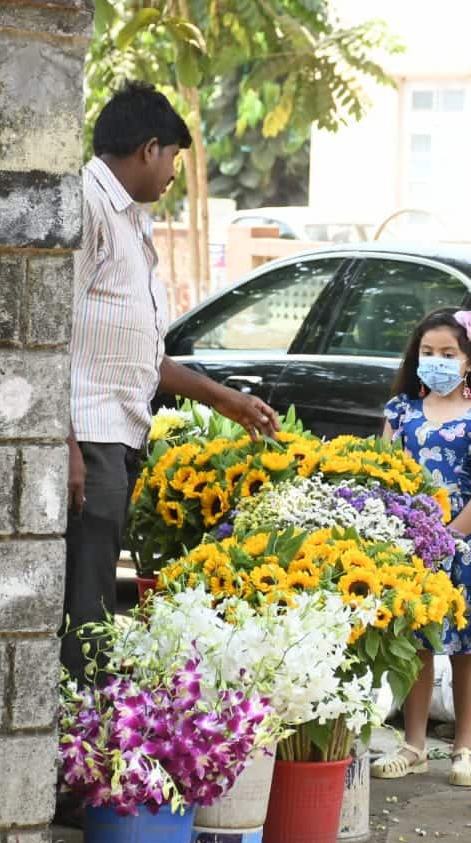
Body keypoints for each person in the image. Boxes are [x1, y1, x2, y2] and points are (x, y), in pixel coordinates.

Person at [63, 81, 280, 679]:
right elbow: (45, 334)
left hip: (119, 431)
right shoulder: (87, 205)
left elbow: (139, 354)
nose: (172, 176)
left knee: (99, 598)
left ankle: (91, 730)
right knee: (85, 608)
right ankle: (81, 740)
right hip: (91, 435)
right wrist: (65, 443)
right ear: (148, 148)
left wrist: (225, 399)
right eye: (173, 161)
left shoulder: (131, 219)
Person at [371, 307, 471, 788]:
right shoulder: (401, 412)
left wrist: (450, 536)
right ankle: (413, 745)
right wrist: (406, 535)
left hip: (467, 546)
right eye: (428, 353)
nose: (436, 361)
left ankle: (465, 748)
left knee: (466, 648)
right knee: (416, 644)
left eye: (447, 353)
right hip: (411, 547)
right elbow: (384, 474)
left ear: (469, 360)